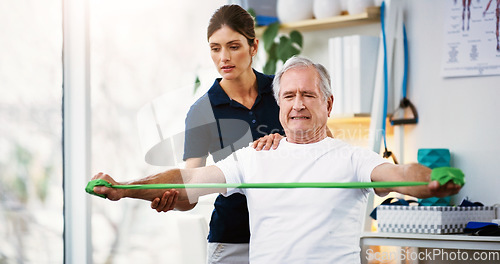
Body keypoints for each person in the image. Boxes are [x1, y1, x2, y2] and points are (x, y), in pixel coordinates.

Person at [91, 56, 461, 263]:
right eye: (288, 96)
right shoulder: (255, 156)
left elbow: (400, 175)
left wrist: (430, 182)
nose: (298, 103)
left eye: (308, 95)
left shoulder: (351, 158)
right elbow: (189, 184)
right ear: (278, 103)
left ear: (327, 104)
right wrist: (125, 189)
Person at [152, 4, 283, 264]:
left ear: (253, 46)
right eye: (215, 48)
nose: (224, 57)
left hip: (284, 234)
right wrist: (172, 200)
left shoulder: (282, 91)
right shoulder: (202, 111)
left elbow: (320, 145)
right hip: (232, 240)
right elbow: (192, 189)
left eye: (234, 46)